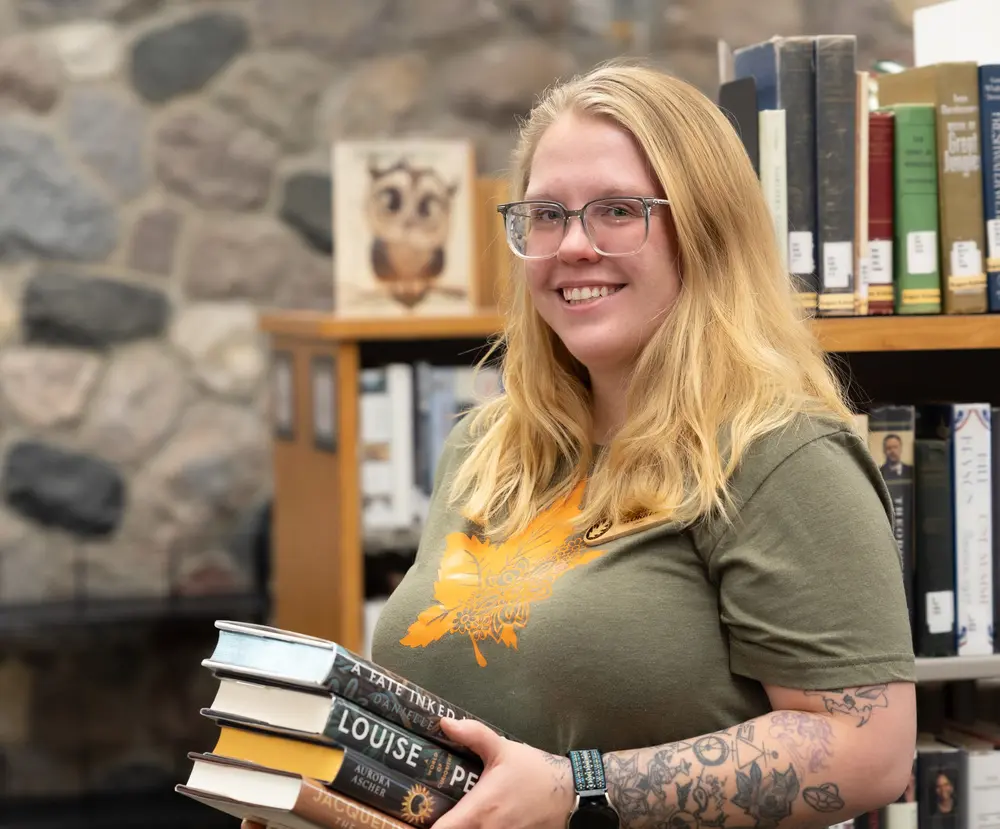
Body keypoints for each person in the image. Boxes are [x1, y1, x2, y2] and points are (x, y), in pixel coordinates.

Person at [245, 61, 916, 829]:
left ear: (706, 229)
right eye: (547, 215)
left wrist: (578, 789)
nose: (573, 246)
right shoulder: (484, 447)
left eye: (618, 211)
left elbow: (867, 751)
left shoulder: (781, 454)